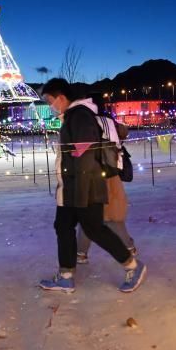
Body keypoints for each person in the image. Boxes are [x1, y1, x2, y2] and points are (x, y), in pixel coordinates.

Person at [38, 78, 146, 293]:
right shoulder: (72, 116)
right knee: (63, 226)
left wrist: (77, 186)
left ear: (61, 97)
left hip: (84, 186)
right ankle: (66, 275)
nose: (49, 105)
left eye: (49, 100)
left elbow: (85, 149)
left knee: (95, 229)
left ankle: (133, 266)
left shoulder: (79, 115)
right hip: (72, 186)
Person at [76, 93, 136, 264]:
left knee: (91, 218)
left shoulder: (88, 121)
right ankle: (129, 246)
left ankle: (81, 253)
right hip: (112, 173)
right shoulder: (109, 121)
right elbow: (124, 133)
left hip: (95, 175)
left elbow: (81, 149)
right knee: (113, 217)